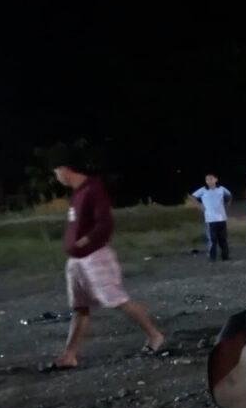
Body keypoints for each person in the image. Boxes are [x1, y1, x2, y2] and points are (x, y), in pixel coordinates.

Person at [42, 149, 165, 371]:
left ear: (65, 169)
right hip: (77, 261)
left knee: (117, 300)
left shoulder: (92, 189)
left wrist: (84, 241)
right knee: (80, 308)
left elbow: (105, 224)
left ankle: (155, 335)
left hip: (95, 258)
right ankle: (70, 355)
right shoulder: (78, 193)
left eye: (56, 172)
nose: (56, 177)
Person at [192, 173, 232, 261]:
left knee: (223, 239)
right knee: (212, 240)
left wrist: (227, 205)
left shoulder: (221, 189)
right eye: (207, 179)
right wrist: (200, 206)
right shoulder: (203, 190)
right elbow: (193, 197)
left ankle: (225, 257)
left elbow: (229, 195)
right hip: (210, 220)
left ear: (216, 179)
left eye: (211, 179)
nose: (209, 181)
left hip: (222, 218)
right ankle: (212, 258)